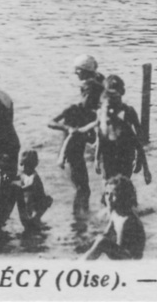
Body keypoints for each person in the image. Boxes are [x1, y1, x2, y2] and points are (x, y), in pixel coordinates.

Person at [48, 78, 103, 214]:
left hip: (78, 155)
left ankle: (82, 216)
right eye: (95, 99)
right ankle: (78, 217)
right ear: (87, 95)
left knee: (85, 189)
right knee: (81, 188)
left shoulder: (91, 114)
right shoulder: (73, 109)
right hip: (67, 155)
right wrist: (68, 128)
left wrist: (95, 140)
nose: (97, 103)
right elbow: (51, 122)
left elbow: (90, 137)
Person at [93, 75, 151, 186]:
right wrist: (96, 159)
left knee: (123, 184)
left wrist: (140, 161)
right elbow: (99, 137)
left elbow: (139, 137)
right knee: (108, 185)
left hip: (126, 155)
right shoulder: (102, 114)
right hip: (108, 155)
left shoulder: (128, 111)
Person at [84, 176, 145, 260]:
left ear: (123, 196)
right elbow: (106, 234)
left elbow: (122, 250)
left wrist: (101, 242)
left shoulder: (127, 220)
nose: (108, 198)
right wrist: (89, 242)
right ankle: (80, 262)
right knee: (98, 239)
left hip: (131, 261)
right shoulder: (115, 214)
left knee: (102, 241)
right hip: (122, 255)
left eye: (114, 195)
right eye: (107, 194)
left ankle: (79, 265)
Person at [16, 150, 53, 227]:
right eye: (22, 165)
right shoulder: (28, 175)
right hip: (30, 200)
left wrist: (19, 189)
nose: (24, 168)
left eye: (27, 166)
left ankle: (34, 218)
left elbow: (29, 185)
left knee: (40, 202)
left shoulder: (29, 175)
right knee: (47, 199)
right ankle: (33, 219)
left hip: (33, 201)